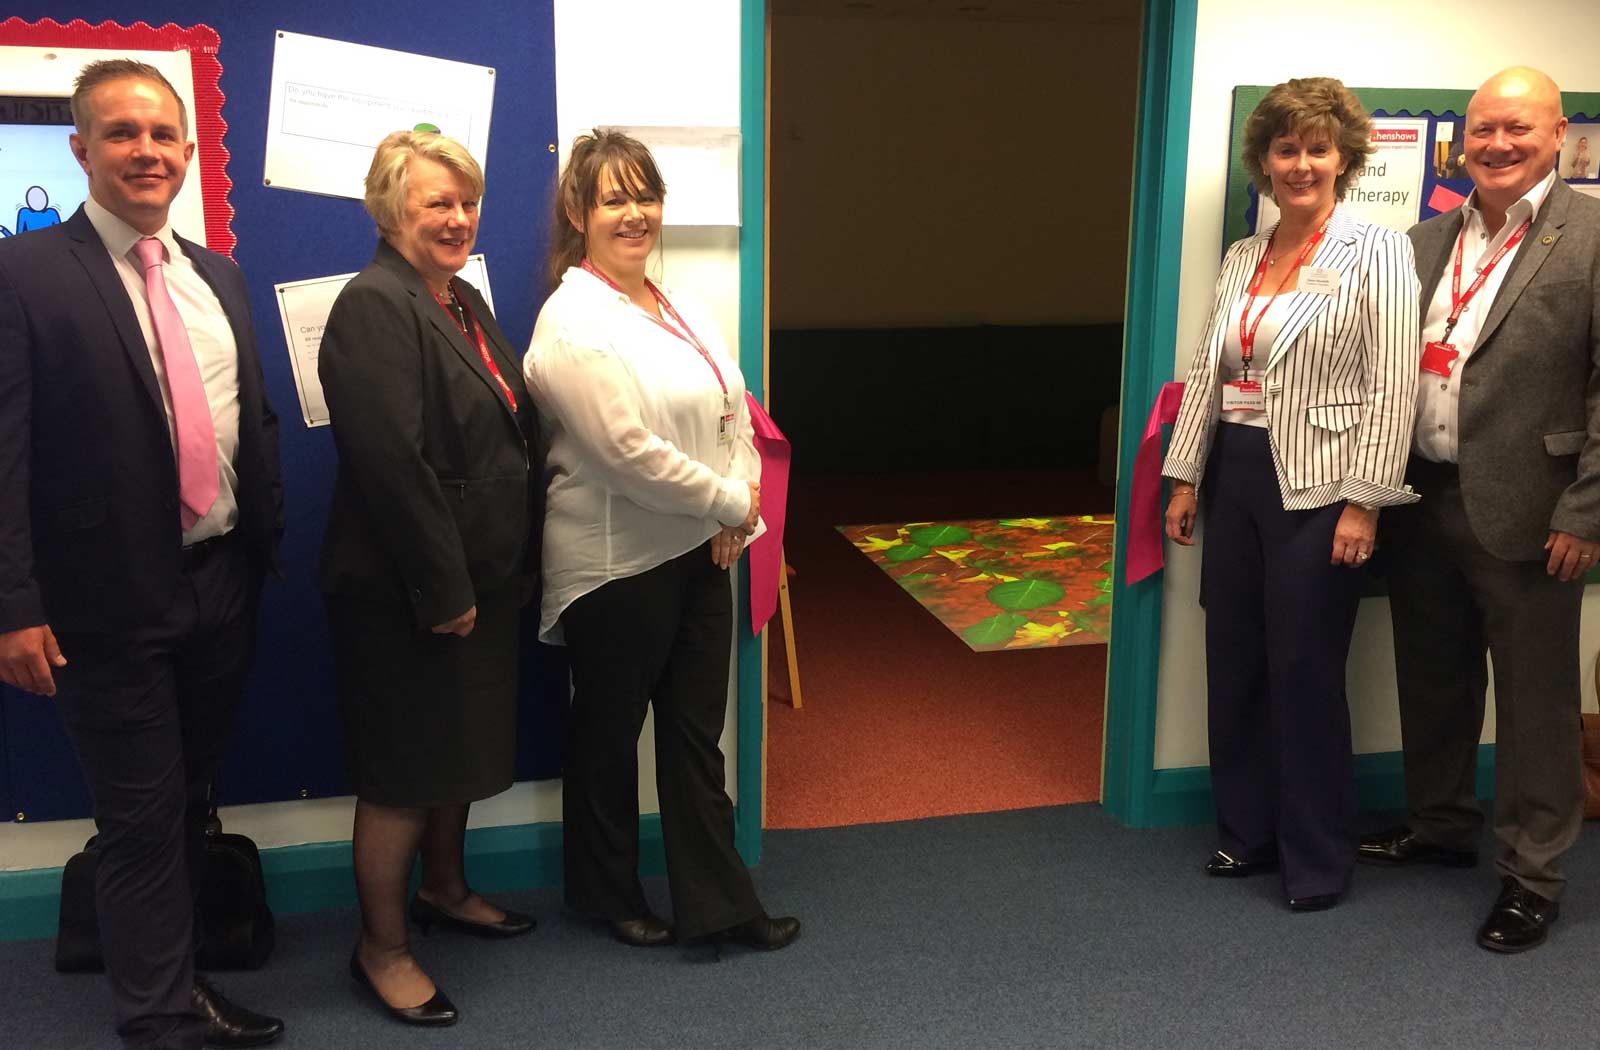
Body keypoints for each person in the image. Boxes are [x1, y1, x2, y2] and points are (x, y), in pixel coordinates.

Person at [0, 60, 285, 1049]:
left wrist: (259, 559)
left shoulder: (220, 278)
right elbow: (6, 450)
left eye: (163, 134)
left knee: (188, 799)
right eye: (120, 133)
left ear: (189, 152)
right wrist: (12, 603)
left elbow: (248, 423)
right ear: (80, 150)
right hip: (99, 605)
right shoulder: (24, 275)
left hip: (219, 587)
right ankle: (157, 1018)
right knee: (139, 814)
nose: (146, 150)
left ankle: (177, 979)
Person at [524, 130, 799, 952]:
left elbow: (731, 408)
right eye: (614, 198)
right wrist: (730, 504)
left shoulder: (675, 304)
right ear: (579, 213)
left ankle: (718, 903)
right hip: (614, 563)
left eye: (645, 195)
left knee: (692, 736)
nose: (634, 213)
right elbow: (625, 453)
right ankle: (606, 895)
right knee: (608, 737)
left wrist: (735, 499)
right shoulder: (572, 323)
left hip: (694, 549)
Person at [1162, 77, 1421, 912]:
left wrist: (1367, 500)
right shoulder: (1245, 255)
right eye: (1285, 148)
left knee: (1305, 670)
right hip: (1236, 472)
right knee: (1233, 659)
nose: (1301, 163)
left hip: (1321, 489)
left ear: (1343, 159)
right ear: (1262, 163)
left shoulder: (1378, 252)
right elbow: (1209, 370)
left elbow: (1393, 386)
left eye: (1317, 148)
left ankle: (1316, 858)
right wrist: (1183, 473)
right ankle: (1246, 834)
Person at [1358, 67, 1600, 954]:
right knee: (1433, 675)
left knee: (1535, 701)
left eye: (1518, 129)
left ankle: (1533, 874)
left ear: (1559, 133)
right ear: (1462, 140)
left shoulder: (1591, 238)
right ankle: (1440, 824)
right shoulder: (1424, 241)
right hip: (1422, 495)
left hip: (1538, 515)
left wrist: (1587, 512)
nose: (1498, 144)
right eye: (1484, 129)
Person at [318, 130, 544, 1024]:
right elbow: (392, 468)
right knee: (406, 773)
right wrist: (446, 589)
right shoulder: (375, 305)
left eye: (465, 202)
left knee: (459, 751)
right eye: (435, 204)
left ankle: (445, 891)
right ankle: (382, 948)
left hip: (476, 581)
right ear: (389, 211)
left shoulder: (458, 300)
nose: (456, 219)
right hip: (409, 593)